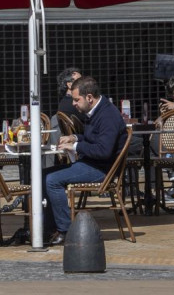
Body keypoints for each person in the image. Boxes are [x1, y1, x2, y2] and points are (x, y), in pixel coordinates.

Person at [43, 77, 127, 245]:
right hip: (92, 163)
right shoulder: (95, 111)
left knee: (52, 180)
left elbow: (103, 151)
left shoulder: (108, 115)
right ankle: (47, 228)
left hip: (103, 169)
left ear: (89, 97)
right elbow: (92, 138)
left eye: (76, 99)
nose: (73, 103)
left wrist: (75, 146)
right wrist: (75, 137)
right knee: (43, 174)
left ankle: (66, 230)